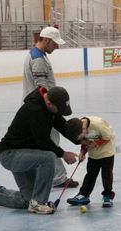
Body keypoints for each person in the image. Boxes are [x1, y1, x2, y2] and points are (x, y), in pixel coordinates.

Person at [0, 86, 81, 215]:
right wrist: (63, 154)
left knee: (27, 201)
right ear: (49, 103)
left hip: (27, 155)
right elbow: (43, 142)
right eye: (59, 109)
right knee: (48, 157)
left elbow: (64, 127)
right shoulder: (35, 110)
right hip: (11, 154)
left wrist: (82, 140)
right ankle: (38, 203)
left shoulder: (50, 106)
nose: (59, 112)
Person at [21, 26, 79, 188]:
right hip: (43, 108)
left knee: (47, 141)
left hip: (42, 107)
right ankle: (58, 178)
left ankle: (50, 175)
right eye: (54, 43)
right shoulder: (38, 59)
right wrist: (52, 109)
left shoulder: (38, 54)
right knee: (51, 140)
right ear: (46, 40)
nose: (56, 47)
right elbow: (42, 88)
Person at [65, 116, 116, 208]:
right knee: (90, 174)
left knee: (106, 175)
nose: (82, 140)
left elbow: (107, 137)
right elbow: (84, 141)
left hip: (106, 152)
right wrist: (83, 152)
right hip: (93, 154)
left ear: (83, 129)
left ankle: (107, 196)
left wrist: (95, 144)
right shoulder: (77, 128)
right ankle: (84, 195)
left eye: (82, 137)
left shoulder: (97, 124)